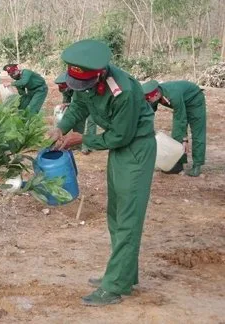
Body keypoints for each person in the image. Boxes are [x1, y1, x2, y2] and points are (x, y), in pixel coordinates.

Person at [48, 39, 156, 306]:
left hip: (136, 148)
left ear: (99, 74)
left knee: (128, 216)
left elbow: (120, 136)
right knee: (116, 213)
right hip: (120, 151)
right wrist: (61, 128)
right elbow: (78, 106)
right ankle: (124, 275)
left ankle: (115, 286)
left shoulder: (124, 91)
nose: (80, 89)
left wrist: (82, 140)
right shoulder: (86, 82)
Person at [142, 80, 206, 177]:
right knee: (176, 133)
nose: (148, 101)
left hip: (194, 100)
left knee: (197, 132)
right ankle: (179, 164)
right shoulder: (154, 93)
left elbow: (180, 118)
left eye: (148, 100)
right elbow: (148, 112)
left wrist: (184, 140)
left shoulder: (173, 95)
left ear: (156, 95)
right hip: (181, 101)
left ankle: (197, 165)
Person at [55, 72, 97, 154]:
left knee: (92, 121)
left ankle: (89, 146)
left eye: (64, 85)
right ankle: (77, 145)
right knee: (77, 121)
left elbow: (82, 101)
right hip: (79, 107)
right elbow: (69, 101)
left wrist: (68, 104)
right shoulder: (64, 88)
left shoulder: (79, 85)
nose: (63, 87)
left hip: (93, 104)